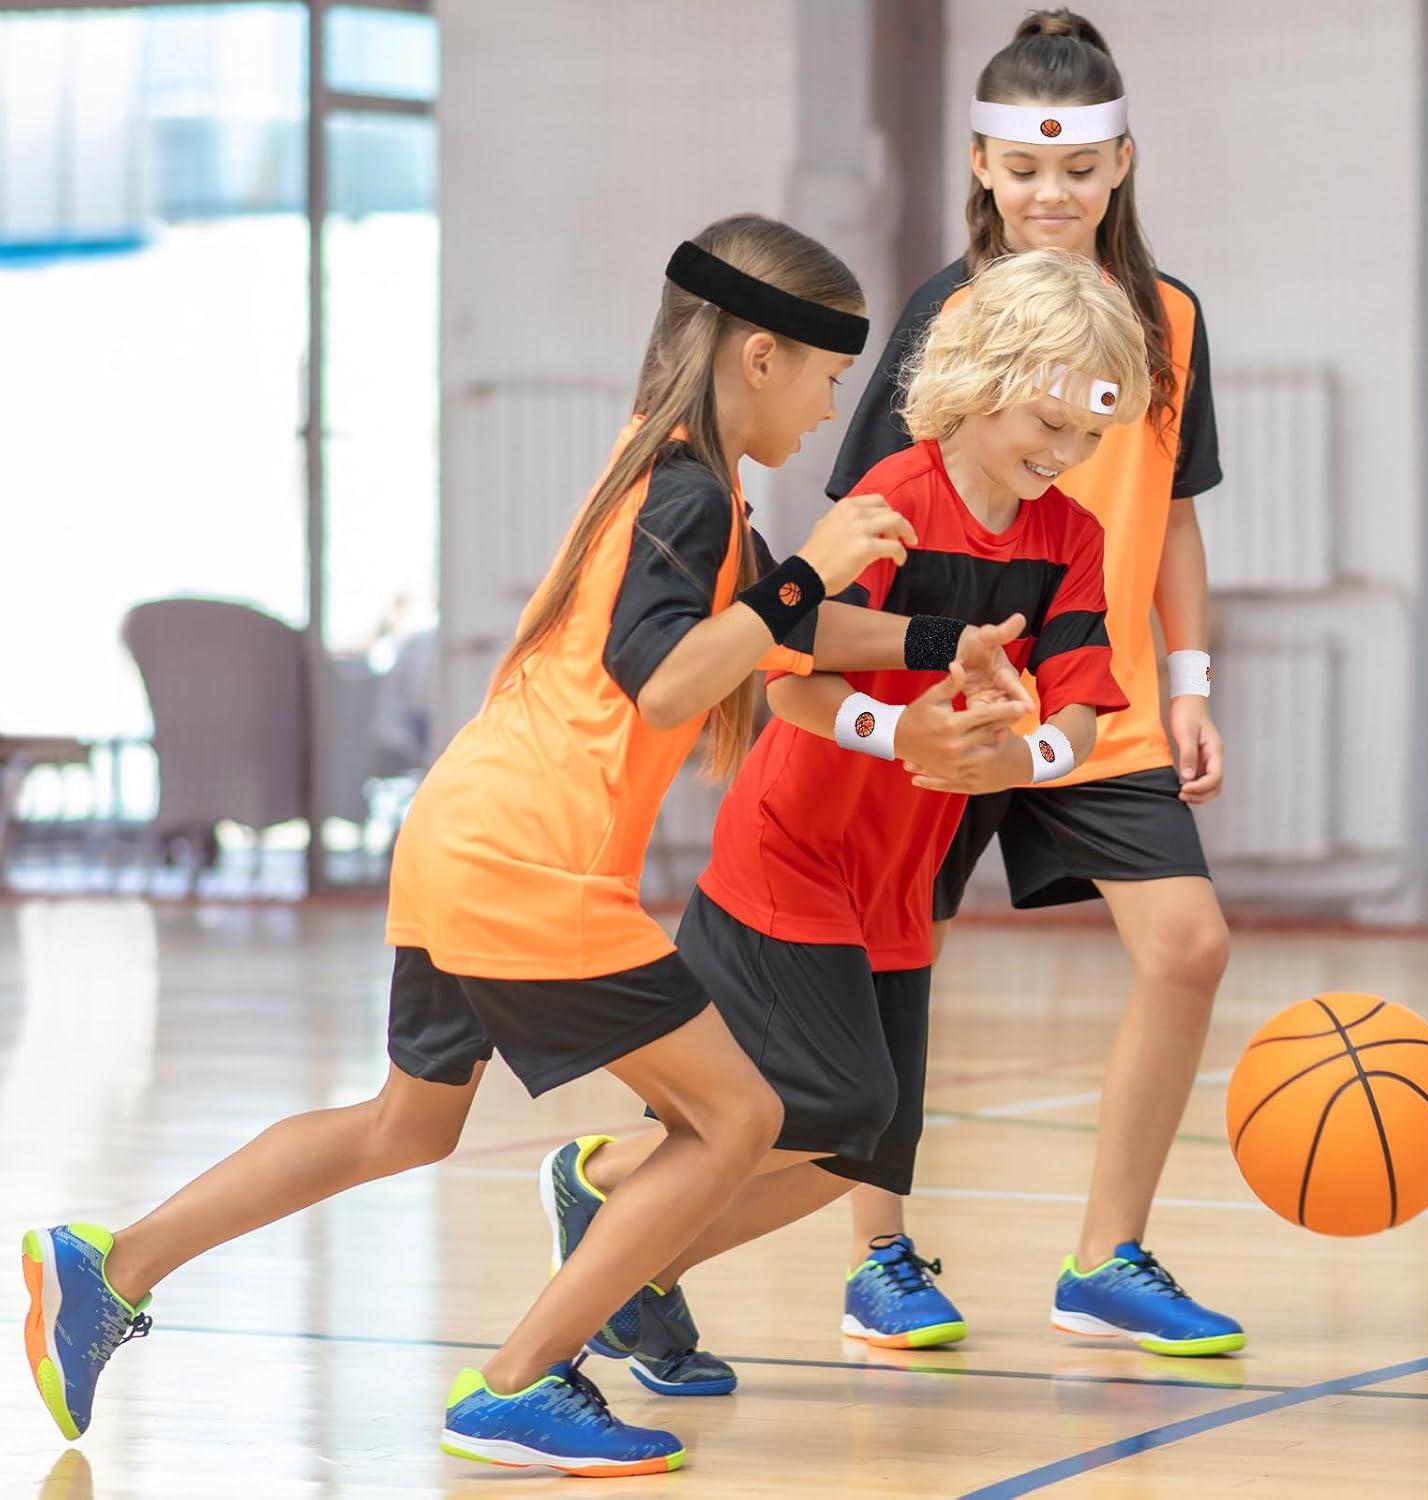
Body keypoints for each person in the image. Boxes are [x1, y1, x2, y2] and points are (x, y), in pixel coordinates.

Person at [21, 214, 1012, 1478]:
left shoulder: (669, 477)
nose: (830, 407)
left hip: (468, 839)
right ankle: (519, 1384)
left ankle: (112, 1266)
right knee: (737, 1115)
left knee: (404, 1126)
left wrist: (941, 647)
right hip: (529, 865)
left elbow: (787, 642)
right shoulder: (691, 495)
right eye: (827, 376)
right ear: (762, 356)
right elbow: (669, 683)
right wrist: (806, 577)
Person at [548, 248, 1150, 1395]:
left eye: (1086, 441)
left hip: (904, 883)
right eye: (1046, 423)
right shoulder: (888, 511)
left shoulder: (1070, 539)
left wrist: (1023, 754)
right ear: (980, 377)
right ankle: (607, 1199)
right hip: (795, 855)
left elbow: (1081, 712)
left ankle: (632, 1254)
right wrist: (902, 736)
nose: (1065, 458)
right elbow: (788, 681)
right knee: (831, 1106)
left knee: (859, 1145)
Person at [826, 9, 1242, 1358]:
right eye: (1023, 170)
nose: (1050, 195)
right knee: (899, 961)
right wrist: (885, 708)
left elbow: (1170, 514)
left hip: (1093, 696)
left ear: (1120, 164)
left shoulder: (1169, 319)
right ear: (981, 166)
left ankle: (1106, 1260)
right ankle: (878, 1258)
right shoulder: (945, 316)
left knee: (1189, 946)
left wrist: (1186, 679)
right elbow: (865, 525)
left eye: (1076, 170)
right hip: (950, 693)